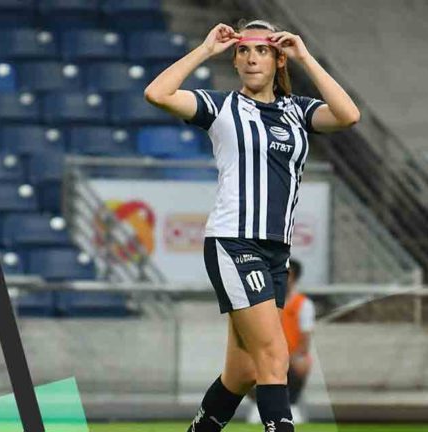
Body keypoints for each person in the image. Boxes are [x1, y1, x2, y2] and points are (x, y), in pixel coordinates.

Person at [144, 18, 359, 432]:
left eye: (262, 50)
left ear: (278, 59)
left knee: (241, 372)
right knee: (274, 356)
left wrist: (304, 56)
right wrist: (206, 49)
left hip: (277, 251)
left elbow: (348, 115)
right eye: (243, 50)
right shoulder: (222, 107)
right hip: (234, 242)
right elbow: (157, 93)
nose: (251, 58)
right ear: (235, 59)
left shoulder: (297, 110)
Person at [247, 259, 315, 424]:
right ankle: (259, 404)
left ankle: (291, 404)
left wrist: (288, 356)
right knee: (243, 366)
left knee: (302, 363)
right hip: (265, 355)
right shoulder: (263, 301)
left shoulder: (303, 304)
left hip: (290, 356)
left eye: (287, 275)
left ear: (294, 278)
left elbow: (305, 341)